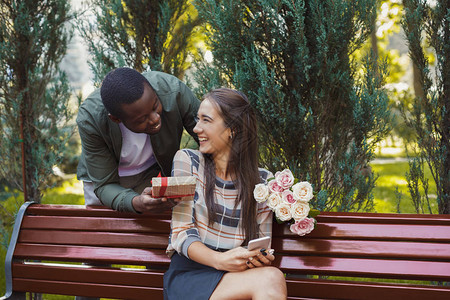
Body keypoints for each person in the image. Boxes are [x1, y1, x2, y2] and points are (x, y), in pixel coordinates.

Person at [164, 88, 287, 299]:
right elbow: (180, 232)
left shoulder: (264, 181)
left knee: (269, 276)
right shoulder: (185, 160)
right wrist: (219, 260)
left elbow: (259, 240)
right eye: (197, 119)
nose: (196, 128)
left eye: (206, 120)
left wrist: (258, 257)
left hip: (235, 278)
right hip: (190, 275)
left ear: (233, 129)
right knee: (271, 279)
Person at [76, 67, 200, 213]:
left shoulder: (172, 91)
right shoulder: (91, 118)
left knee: (151, 224)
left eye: (155, 106)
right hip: (103, 180)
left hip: (148, 173)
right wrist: (136, 203)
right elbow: (104, 185)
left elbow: (210, 134)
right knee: (105, 229)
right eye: (142, 119)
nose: (155, 119)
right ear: (115, 119)